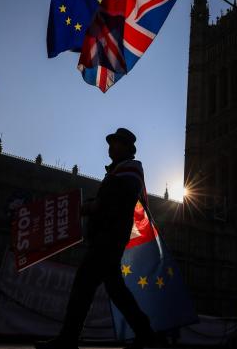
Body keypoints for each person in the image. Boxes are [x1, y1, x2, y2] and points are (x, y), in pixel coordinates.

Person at [36, 128, 155, 349]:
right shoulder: (118, 171)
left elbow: (116, 201)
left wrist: (90, 207)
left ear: (128, 148)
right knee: (116, 290)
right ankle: (145, 332)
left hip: (109, 238)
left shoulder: (130, 170)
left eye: (117, 143)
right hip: (106, 236)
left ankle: (68, 338)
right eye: (111, 143)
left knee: (84, 284)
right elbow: (109, 198)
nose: (111, 146)